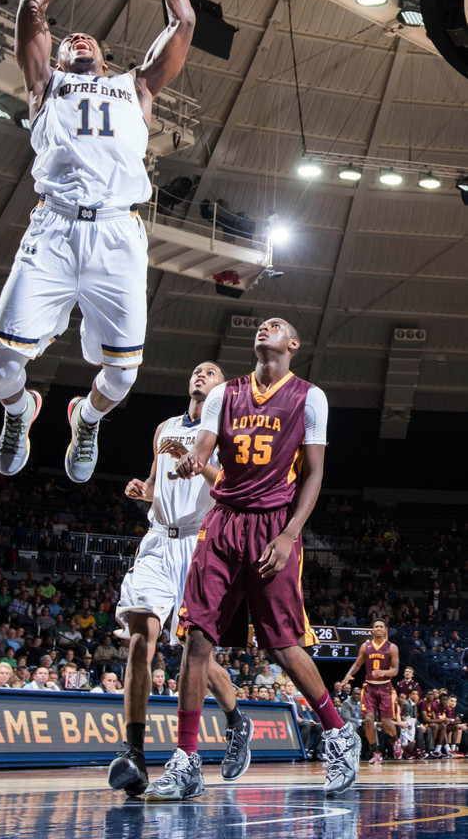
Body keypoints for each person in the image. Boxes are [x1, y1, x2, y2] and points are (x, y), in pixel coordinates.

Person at [0, 0, 195, 482]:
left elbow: (184, 25)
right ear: (56, 57)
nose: (80, 38)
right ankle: (19, 411)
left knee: (122, 378)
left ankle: (87, 418)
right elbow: (31, 7)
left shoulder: (136, 88)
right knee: (1, 365)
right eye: (69, 39)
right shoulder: (46, 86)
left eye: (91, 40)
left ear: (104, 58)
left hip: (117, 235)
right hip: (53, 229)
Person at [144, 317, 360, 801]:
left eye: (277, 325)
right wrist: (192, 461)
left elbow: (314, 475)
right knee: (197, 638)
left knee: (282, 644)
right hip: (222, 523)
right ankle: (186, 760)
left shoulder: (310, 397)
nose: (267, 328)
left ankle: (339, 734)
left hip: (272, 526)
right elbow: (203, 447)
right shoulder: (226, 394)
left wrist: (288, 535)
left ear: (293, 345)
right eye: (262, 325)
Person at [109, 362, 252, 798]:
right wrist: (143, 489)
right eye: (196, 370)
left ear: (221, 388)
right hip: (158, 539)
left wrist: (196, 462)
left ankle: (236, 719)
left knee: (197, 657)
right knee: (140, 638)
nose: (200, 374)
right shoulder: (165, 428)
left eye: (210, 372)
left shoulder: (228, 432)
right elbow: (157, 484)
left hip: (198, 541)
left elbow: (232, 486)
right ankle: (133, 752)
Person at [341, 619, 400, 764]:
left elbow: (395, 670)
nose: (378, 629)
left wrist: (383, 672)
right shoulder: (365, 646)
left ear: (385, 630)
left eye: (381, 627)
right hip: (369, 687)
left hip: (385, 687)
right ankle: (375, 752)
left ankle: (395, 740)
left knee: (386, 722)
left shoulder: (392, 647)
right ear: (372, 630)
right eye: (376, 627)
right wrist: (348, 674)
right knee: (368, 720)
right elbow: (357, 663)